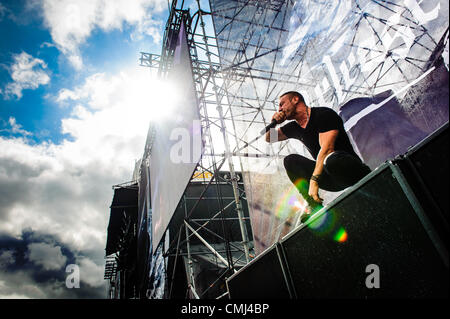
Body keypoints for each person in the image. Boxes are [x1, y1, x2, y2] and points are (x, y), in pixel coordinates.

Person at [266, 91, 371, 222]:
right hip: (331, 178)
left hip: (348, 169)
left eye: (282, 104)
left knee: (331, 159)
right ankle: (314, 205)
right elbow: (269, 138)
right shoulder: (294, 127)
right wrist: (274, 122)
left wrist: (314, 180)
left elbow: (326, 149)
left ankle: (369, 178)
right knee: (290, 161)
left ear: (295, 99)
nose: (279, 108)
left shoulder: (323, 115)